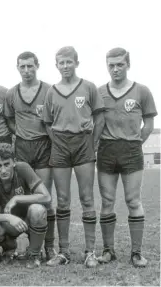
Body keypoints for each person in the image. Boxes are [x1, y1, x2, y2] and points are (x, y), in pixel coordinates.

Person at [43, 46, 105, 267]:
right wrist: (57, 140)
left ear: (77, 63)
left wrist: (93, 142)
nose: (65, 66)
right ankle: (64, 252)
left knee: (87, 198)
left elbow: (100, 117)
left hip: (83, 143)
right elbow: (48, 122)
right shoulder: (51, 91)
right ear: (56, 65)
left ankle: (90, 251)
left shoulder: (88, 87)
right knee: (62, 199)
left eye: (69, 62)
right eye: (61, 62)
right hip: (60, 144)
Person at [96, 48, 157, 268]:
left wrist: (133, 143)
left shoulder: (142, 91)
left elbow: (149, 125)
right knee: (107, 202)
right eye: (111, 65)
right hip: (106, 150)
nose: (115, 69)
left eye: (119, 64)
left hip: (131, 150)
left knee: (133, 201)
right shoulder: (99, 91)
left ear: (127, 64)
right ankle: (108, 250)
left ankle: (136, 253)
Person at [5, 51, 57, 261]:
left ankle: (49, 247)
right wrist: (20, 134)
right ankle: (27, 244)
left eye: (30, 66)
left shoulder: (49, 90)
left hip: (44, 145)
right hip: (23, 147)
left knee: (45, 197)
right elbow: (9, 119)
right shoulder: (12, 93)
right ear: (17, 68)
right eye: (22, 67)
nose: (26, 71)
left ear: (37, 66)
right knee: (23, 197)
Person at [0, 143, 51, 268]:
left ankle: (34, 254)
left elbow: (46, 197)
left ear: (14, 162)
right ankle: (9, 246)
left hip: (27, 219)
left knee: (38, 210)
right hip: (6, 224)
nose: (3, 170)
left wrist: (17, 198)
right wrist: (8, 218)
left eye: (7, 164)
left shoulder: (23, 168)